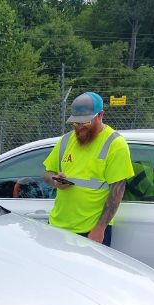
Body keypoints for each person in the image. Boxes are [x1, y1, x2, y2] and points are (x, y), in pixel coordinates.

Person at [43, 91, 133, 246]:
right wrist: (56, 181)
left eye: (85, 123)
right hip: (57, 226)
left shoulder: (115, 144)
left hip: (90, 231)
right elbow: (46, 173)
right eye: (76, 123)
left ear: (101, 115)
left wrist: (99, 229)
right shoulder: (66, 140)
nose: (80, 128)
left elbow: (117, 191)